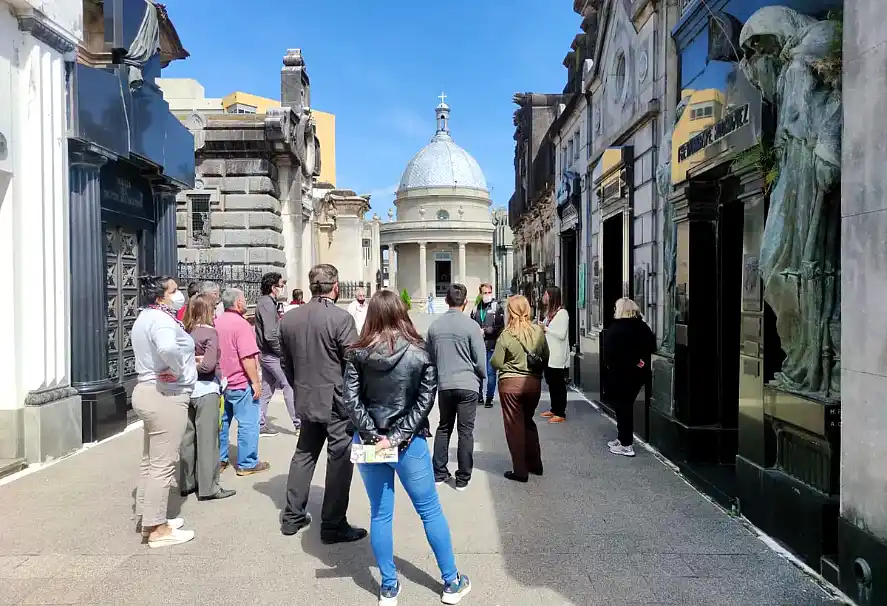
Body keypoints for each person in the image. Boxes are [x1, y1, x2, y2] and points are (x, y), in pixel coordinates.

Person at [343, 290, 472, 605]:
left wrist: (374, 435)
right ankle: (451, 581)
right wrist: (397, 436)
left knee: (380, 512)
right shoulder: (419, 351)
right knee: (429, 510)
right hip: (408, 442)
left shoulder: (358, 352)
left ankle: (388, 585)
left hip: (371, 439)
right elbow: (425, 401)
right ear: (402, 312)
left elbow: (352, 400)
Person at [279, 264, 366, 544]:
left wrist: (298, 386)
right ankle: (332, 524)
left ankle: (292, 517)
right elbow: (353, 362)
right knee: (339, 459)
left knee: (304, 454)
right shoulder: (340, 319)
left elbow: (285, 363)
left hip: (306, 395)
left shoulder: (290, 319)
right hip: (336, 400)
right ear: (335, 286)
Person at [130, 275, 196, 547]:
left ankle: (148, 517)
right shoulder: (160, 320)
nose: (178, 294)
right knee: (163, 464)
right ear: (160, 297)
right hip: (165, 395)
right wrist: (178, 368)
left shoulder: (145, 317)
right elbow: (168, 347)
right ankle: (157, 529)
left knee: (151, 460)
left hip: (147, 390)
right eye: (174, 290)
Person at [427, 284, 486, 490]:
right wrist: (482, 377)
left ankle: (439, 472)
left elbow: (430, 357)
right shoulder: (471, 326)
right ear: (466, 301)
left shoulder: (435, 327)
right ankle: (463, 478)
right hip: (467, 383)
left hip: (444, 383)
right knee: (465, 431)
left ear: (446, 301)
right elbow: (480, 359)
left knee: (444, 427)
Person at [179, 294, 236, 501]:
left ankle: (187, 482)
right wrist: (198, 362)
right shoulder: (210, 333)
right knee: (208, 441)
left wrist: (189, 362)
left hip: (186, 389)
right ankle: (209, 487)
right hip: (206, 390)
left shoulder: (184, 331)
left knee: (187, 439)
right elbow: (208, 365)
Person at [491, 295, 549, 483]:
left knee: (514, 426)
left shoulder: (507, 334)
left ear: (511, 311)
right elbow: (545, 355)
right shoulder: (538, 331)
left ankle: (520, 471)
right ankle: (536, 464)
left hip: (510, 385)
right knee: (528, 421)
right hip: (533, 384)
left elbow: (497, 362)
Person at [216, 288, 270, 475]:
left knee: (222, 423)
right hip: (241, 382)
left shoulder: (217, 322)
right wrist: (255, 382)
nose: (246, 302)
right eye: (244, 299)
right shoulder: (241, 325)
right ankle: (247, 463)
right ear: (238, 302)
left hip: (221, 383)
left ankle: (220, 460)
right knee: (248, 423)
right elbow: (247, 357)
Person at [603, 298, 656, 458]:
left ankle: (626, 444)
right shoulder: (641, 326)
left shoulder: (617, 327)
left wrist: (629, 361)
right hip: (637, 375)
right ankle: (622, 439)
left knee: (622, 407)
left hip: (620, 374)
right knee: (624, 406)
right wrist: (639, 361)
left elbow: (610, 352)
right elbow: (651, 345)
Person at [255, 271, 298, 437]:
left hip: (267, 353)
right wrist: (282, 353)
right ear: (273, 287)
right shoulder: (267, 304)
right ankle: (298, 423)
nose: (283, 288)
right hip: (271, 354)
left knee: (266, 390)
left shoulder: (269, 303)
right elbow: (270, 334)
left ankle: (260, 423)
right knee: (288, 385)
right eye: (281, 285)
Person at [539, 287, 570, 424]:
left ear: (552, 296)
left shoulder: (562, 313)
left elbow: (561, 334)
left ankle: (560, 412)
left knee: (558, 384)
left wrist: (545, 328)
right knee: (551, 382)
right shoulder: (550, 313)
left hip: (557, 355)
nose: (544, 297)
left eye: (546, 294)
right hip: (548, 354)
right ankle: (554, 408)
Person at [470, 283, 504, 408]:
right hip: (478, 346)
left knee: (491, 373)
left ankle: (489, 398)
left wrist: (486, 331)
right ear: (480, 294)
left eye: (489, 292)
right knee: (478, 372)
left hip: (492, 344)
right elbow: (471, 325)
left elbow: (500, 326)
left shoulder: (497, 307)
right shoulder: (476, 309)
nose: (487, 295)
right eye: (485, 293)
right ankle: (479, 396)